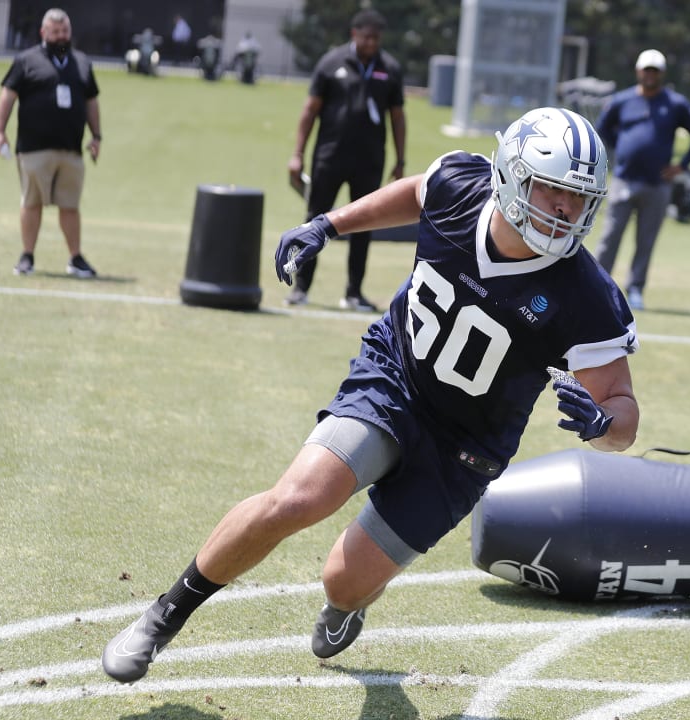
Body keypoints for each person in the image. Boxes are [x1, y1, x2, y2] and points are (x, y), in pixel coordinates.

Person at [102, 106, 640, 684]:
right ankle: (164, 615)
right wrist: (328, 225)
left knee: (342, 580)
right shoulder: (462, 185)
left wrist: (601, 424)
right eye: (553, 190)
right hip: (395, 378)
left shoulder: (586, 296)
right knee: (298, 499)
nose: (565, 212)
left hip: (465, 449)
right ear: (510, 176)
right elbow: (417, 194)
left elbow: (623, 413)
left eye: (579, 199)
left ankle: (349, 603)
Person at [286, 9, 407, 311]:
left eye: (376, 38)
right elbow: (309, 111)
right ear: (354, 34)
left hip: (369, 161)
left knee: (364, 224)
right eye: (366, 37)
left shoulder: (389, 69)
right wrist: (297, 154)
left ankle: (354, 293)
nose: (371, 43)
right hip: (329, 157)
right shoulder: (331, 63)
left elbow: (397, 117)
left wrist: (400, 159)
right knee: (315, 219)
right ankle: (300, 288)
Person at [591, 48, 690, 311]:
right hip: (624, 180)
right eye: (647, 70)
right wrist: (619, 150)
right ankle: (596, 286)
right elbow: (602, 129)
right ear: (638, 71)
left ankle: (635, 289)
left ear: (661, 73)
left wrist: (682, 166)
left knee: (646, 241)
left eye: (655, 71)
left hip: (658, 185)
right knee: (609, 237)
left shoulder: (675, 104)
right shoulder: (622, 100)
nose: (650, 75)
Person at [0, 7, 101, 279]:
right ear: (44, 32)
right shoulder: (26, 61)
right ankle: (27, 256)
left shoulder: (82, 63)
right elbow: (7, 96)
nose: (61, 36)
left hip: (71, 149)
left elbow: (91, 102)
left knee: (70, 206)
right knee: (31, 203)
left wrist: (97, 135)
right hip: (34, 148)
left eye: (65, 31)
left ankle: (75, 258)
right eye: (55, 32)